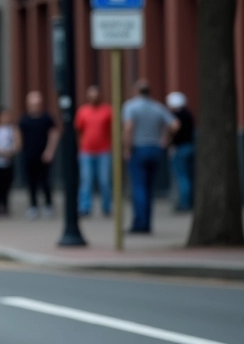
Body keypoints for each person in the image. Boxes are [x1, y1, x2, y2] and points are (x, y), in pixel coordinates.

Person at [122, 80, 179, 233]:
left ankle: (139, 224)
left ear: (135, 91)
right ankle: (147, 223)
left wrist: (127, 148)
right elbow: (174, 125)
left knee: (139, 187)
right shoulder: (157, 107)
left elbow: (128, 127)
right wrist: (164, 140)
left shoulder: (130, 106)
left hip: (138, 149)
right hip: (155, 149)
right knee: (149, 187)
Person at [18, 91, 60, 220]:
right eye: (32, 104)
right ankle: (33, 206)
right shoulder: (24, 120)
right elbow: (18, 136)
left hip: (44, 155)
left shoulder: (47, 118)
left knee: (45, 181)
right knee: (31, 182)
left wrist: (50, 151)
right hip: (29, 155)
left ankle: (48, 205)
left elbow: (54, 134)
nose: (35, 106)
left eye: (37, 104)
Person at [74, 85, 112, 217]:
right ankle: (85, 207)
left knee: (104, 180)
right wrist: (80, 146)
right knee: (86, 180)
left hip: (104, 150)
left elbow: (112, 130)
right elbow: (79, 130)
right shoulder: (83, 111)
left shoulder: (107, 110)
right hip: (86, 151)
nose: (93, 97)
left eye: (96, 95)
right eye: (91, 95)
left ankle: (107, 207)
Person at [166, 91, 195, 211]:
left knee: (181, 177)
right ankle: (187, 201)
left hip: (180, 148)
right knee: (187, 176)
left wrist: (168, 140)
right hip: (189, 146)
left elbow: (173, 129)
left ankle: (184, 203)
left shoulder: (177, 117)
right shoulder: (188, 114)